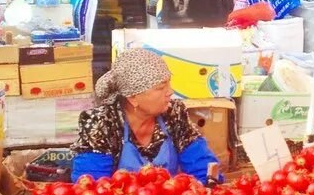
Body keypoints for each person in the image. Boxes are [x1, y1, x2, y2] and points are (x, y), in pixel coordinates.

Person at [70, 48, 221, 181]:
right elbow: (91, 185)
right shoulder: (102, 123)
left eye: (169, 83)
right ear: (133, 98)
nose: (170, 92)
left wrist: (208, 182)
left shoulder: (174, 113)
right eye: (161, 87)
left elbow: (202, 165)